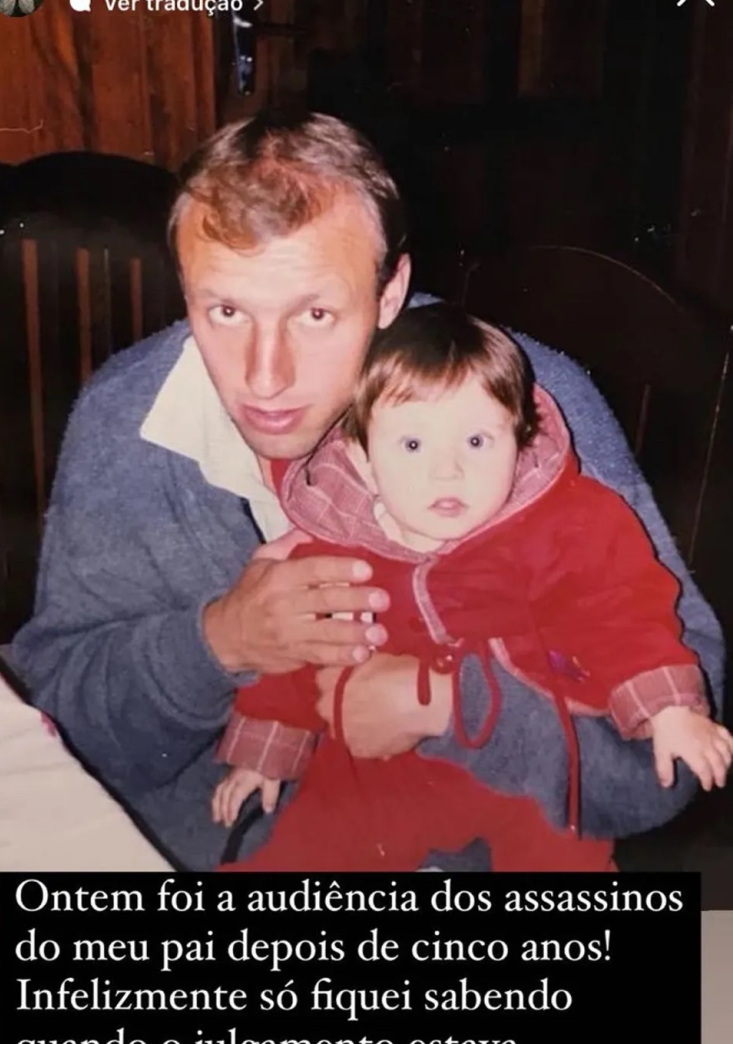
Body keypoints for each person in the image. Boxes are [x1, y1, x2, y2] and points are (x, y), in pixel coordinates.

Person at [9, 109, 725, 872]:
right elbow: (54, 728)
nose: (265, 376)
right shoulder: (128, 418)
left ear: (390, 294)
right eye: (225, 311)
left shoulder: (526, 419)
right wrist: (219, 642)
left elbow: (663, 770)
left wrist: (445, 706)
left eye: (316, 313)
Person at [211, 305, 732, 872]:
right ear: (361, 456)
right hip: (378, 776)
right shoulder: (333, 547)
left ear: (521, 438)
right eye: (413, 445)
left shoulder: (571, 524)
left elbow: (625, 613)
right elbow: (296, 652)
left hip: (523, 772)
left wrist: (668, 710)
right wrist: (266, 750)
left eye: (478, 441)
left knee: (561, 851)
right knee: (305, 851)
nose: (448, 471)